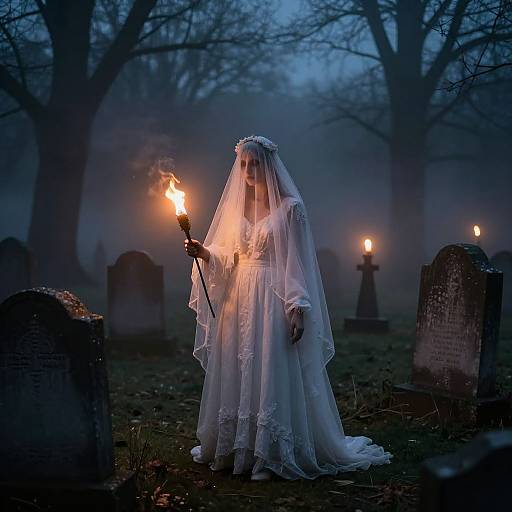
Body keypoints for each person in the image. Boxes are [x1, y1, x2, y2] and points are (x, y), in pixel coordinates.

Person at [184, 135, 392, 481]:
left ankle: (271, 453)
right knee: (239, 364)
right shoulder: (238, 210)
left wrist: (297, 306)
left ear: (269, 165)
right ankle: (239, 448)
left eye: (255, 163)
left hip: (271, 295)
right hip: (239, 296)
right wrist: (204, 253)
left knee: (269, 365)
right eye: (244, 164)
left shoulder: (290, 209)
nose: (249, 171)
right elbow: (229, 255)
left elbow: (296, 263)